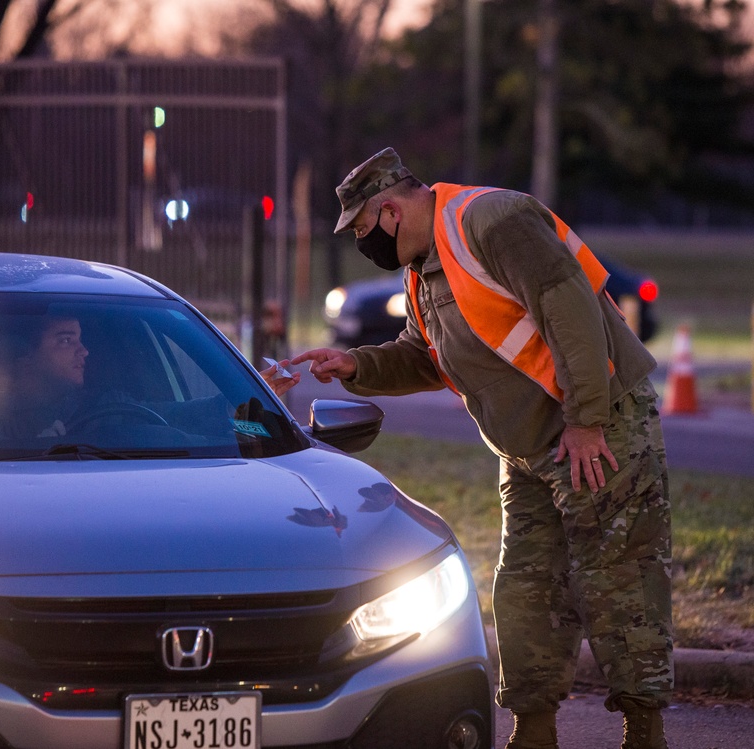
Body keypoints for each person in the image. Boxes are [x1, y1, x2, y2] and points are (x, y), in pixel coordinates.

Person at [287, 148, 673, 749]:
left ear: (390, 210)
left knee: (618, 578)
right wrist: (354, 365)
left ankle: (644, 731)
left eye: (363, 231)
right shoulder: (423, 271)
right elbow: (423, 356)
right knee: (525, 588)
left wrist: (587, 420)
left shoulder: (491, 221)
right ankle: (534, 728)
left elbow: (570, 310)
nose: (366, 246)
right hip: (525, 449)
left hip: (595, 427)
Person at [0, 315, 93, 443]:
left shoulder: (95, 406)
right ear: (26, 357)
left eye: (80, 340)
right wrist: (41, 449)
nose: (84, 351)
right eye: (66, 340)